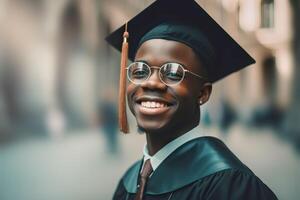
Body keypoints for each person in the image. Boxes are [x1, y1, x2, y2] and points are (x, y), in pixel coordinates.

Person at [106, 0, 278, 199]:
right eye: (140, 70)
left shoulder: (231, 187)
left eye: (172, 72)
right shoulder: (128, 181)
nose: (151, 83)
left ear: (203, 94)